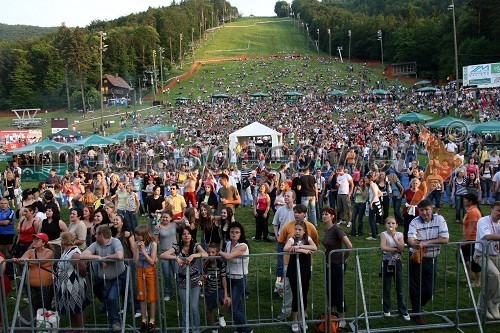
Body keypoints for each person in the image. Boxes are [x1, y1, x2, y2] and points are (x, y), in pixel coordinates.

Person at [407, 199, 449, 325]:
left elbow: (445, 239)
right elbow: (410, 238)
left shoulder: (440, 219)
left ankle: (417, 307)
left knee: (429, 289)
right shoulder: (414, 221)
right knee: (415, 286)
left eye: (427, 209)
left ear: (432, 209)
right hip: (417, 257)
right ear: (418, 210)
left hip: (432, 258)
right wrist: (414, 243)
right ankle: (417, 312)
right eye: (421, 210)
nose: (424, 213)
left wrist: (426, 243)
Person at [277, 204, 320, 321]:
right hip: (289, 262)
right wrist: (299, 248)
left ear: (304, 214)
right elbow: (282, 244)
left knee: (304, 288)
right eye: (295, 212)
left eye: (299, 212)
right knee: (288, 288)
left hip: (305, 264)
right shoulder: (287, 227)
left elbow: (315, 244)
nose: (296, 214)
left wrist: (301, 248)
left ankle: (303, 311)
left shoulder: (310, 227)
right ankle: (286, 311)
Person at [160, 226, 207, 333]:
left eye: (188, 233)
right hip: (182, 281)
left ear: (191, 235)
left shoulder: (195, 246)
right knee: (185, 306)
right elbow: (163, 254)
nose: (186, 236)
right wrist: (176, 258)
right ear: (180, 236)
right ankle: (185, 329)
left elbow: (205, 254)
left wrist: (194, 255)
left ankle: (195, 329)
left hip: (195, 280)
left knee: (194, 306)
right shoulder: (177, 247)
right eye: (184, 234)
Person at [81, 225, 127, 333]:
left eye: (96, 234)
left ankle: (115, 323)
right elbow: (82, 255)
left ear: (101, 235)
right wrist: (98, 258)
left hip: (117, 276)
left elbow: (120, 256)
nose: (94, 235)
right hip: (102, 277)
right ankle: (108, 306)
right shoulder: (95, 244)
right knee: (97, 290)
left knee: (111, 297)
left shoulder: (115, 242)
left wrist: (105, 258)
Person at [284, 220, 317, 333]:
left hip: (304, 270)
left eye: (299, 230)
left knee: (304, 294)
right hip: (294, 270)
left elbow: (314, 248)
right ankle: (295, 320)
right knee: (296, 294)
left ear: (304, 231)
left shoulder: (307, 239)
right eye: (296, 229)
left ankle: (302, 319)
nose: (297, 231)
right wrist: (302, 250)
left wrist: (299, 247)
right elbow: (286, 248)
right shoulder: (292, 239)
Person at [219, 222, 253, 333]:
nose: (234, 234)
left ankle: (248, 329)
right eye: (232, 232)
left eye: (237, 232)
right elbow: (224, 259)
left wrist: (219, 252)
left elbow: (228, 256)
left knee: (233, 308)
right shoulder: (229, 244)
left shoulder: (243, 246)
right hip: (229, 278)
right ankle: (240, 328)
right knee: (239, 306)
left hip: (239, 279)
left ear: (240, 234)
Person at [321, 207, 352, 328]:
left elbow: (349, 246)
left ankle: (342, 317)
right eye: (323, 214)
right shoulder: (327, 229)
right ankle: (332, 312)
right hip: (329, 263)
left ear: (332, 216)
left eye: (326, 214)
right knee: (330, 288)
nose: (324, 216)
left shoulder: (337, 229)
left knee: (338, 290)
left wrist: (344, 258)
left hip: (338, 264)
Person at [56, 232, 91, 331]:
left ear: (64, 241)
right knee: (71, 308)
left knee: (76, 308)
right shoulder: (66, 251)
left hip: (73, 283)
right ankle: (74, 328)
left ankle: (81, 329)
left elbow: (82, 269)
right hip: (65, 284)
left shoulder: (74, 253)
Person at [13, 233, 54, 313]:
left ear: (43, 243)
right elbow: (22, 260)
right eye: (34, 239)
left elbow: (40, 261)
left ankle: (48, 323)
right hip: (30, 285)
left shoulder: (49, 252)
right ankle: (38, 322)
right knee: (35, 306)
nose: (34, 241)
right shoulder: (30, 252)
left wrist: (26, 261)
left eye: (37, 240)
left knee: (45, 306)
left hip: (45, 285)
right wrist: (17, 261)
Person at [380, 216, 410, 321]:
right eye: (388, 223)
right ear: (385, 225)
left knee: (400, 288)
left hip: (397, 263)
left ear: (396, 225)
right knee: (387, 287)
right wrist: (396, 249)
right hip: (386, 262)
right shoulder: (383, 234)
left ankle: (403, 310)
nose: (391, 225)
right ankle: (386, 309)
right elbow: (383, 247)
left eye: (393, 223)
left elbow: (402, 248)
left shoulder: (400, 235)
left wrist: (394, 238)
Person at [473, 201, 500, 320]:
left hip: (496, 254)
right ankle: (494, 303)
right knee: (495, 275)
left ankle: (481, 308)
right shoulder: (483, 221)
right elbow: (487, 236)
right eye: (498, 210)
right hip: (481, 254)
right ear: (491, 209)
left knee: (490, 282)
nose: (499, 213)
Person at [133, 225, 158, 333]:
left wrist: (143, 250)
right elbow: (135, 260)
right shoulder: (135, 244)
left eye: (138, 235)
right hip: (140, 269)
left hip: (150, 270)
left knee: (152, 295)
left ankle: (152, 320)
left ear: (143, 235)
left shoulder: (153, 244)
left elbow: (152, 261)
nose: (136, 236)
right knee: (141, 295)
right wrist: (138, 250)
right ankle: (144, 320)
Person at [203, 242, 231, 331]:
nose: (210, 254)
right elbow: (203, 278)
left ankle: (221, 316)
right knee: (210, 309)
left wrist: (226, 294)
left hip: (219, 289)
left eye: (213, 252)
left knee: (227, 302)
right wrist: (200, 283)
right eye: (209, 252)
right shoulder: (205, 264)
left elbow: (223, 278)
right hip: (209, 290)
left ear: (217, 253)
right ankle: (214, 328)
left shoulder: (220, 263)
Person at [154, 210, 178, 302]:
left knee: (177, 273)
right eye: (163, 217)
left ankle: (180, 290)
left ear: (171, 218)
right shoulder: (158, 228)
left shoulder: (174, 225)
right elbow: (155, 242)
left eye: (167, 217)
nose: (165, 219)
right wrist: (155, 254)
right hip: (163, 253)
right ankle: (168, 292)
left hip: (174, 252)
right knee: (167, 274)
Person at [462, 193, 482, 287]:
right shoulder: (469, 210)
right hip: (469, 239)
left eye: (466, 199)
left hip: (473, 239)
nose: (464, 201)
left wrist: (464, 240)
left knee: (474, 260)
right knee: (463, 257)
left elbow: (471, 227)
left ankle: (477, 281)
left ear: (470, 201)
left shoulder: (473, 212)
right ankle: (471, 275)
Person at [366, 174, 383, 241]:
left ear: (369, 179)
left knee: (371, 219)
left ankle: (374, 236)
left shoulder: (372, 185)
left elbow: (376, 194)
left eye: (366, 178)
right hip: (376, 202)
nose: (365, 180)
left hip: (373, 204)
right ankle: (376, 232)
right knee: (373, 218)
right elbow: (380, 193)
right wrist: (376, 199)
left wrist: (372, 202)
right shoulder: (374, 184)